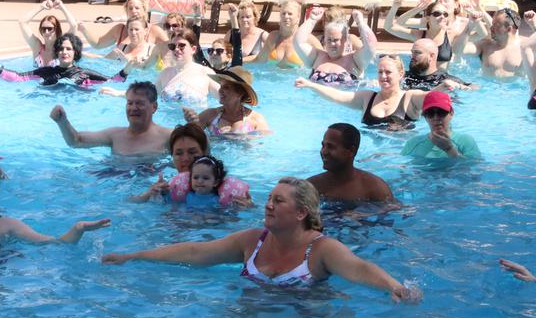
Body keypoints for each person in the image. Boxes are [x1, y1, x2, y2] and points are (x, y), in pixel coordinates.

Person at [102, 177, 421, 302]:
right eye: (269, 198)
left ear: (300, 213)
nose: (268, 204)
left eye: (278, 201)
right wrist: (135, 256)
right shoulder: (252, 240)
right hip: (252, 317)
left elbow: (360, 268)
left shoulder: (321, 249)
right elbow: (196, 252)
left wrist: (395, 286)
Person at [295, 55, 429, 131]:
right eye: (380, 72)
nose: (383, 76)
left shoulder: (410, 97)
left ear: (400, 74)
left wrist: (442, 87)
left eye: (388, 72)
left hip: (398, 159)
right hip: (370, 157)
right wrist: (310, 85)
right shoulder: (367, 98)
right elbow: (338, 96)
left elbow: (433, 98)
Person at [134, 124, 251, 205]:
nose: (185, 159)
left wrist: (248, 206)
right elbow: (130, 202)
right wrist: (149, 194)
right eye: (178, 153)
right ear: (172, 156)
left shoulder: (226, 188)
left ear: (205, 153)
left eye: (192, 152)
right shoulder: (168, 187)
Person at [51, 81, 171, 156]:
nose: (133, 108)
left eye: (139, 103)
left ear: (154, 107)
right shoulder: (114, 135)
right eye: (130, 103)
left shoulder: (168, 136)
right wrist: (62, 122)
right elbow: (76, 141)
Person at [0, 33, 112, 87]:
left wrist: (128, 69)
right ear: (56, 52)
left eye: (68, 49)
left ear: (75, 52)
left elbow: (114, 80)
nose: (64, 52)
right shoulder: (46, 72)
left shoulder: (86, 73)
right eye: (61, 49)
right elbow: (17, 78)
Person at [307, 123, 394, 202]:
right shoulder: (312, 186)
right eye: (323, 145)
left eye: (331, 147)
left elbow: (391, 211)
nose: (324, 152)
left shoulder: (376, 189)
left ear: (351, 151)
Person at [293, 6, 377, 86]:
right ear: (325, 39)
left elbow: (371, 46)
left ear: (346, 39)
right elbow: (298, 42)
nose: (332, 44)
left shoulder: (355, 60)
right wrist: (312, 20)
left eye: (336, 40)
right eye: (329, 40)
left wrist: (360, 22)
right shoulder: (317, 57)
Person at [182, 66, 269, 136]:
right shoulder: (209, 115)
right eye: (221, 86)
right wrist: (192, 123)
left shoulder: (256, 119)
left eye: (226, 87)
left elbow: (262, 150)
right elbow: (187, 138)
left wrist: (242, 138)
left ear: (240, 93)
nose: (220, 90)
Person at [385, 0, 466, 70]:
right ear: (427, 18)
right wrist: (395, 7)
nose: (442, 17)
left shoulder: (451, 34)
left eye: (445, 14)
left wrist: (476, 16)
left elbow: (477, 35)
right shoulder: (419, 35)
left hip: (441, 81)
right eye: (437, 14)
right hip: (419, 79)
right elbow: (389, 27)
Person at [401, 91, 481, 159]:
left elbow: (474, 172)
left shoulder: (465, 141)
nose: (436, 118)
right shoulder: (412, 143)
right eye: (430, 113)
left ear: (451, 114)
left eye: (441, 112)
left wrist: (449, 149)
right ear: (425, 117)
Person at [245, 0, 320, 68]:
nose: (286, 16)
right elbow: (259, 60)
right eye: (283, 13)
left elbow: (323, 62)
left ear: (298, 17)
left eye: (290, 14)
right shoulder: (273, 37)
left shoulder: (308, 39)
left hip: (296, 81)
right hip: (272, 80)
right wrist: (237, 62)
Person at [78, 0, 168, 50]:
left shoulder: (155, 31)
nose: (134, 11)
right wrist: (84, 30)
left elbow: (170, 50)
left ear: (144, 11)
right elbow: (98, 44)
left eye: (137, 8)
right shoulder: (119, 30)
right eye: (130, 8)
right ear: (126, 11)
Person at [19, 0, 78, 67]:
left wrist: (62, 8)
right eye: (43, 29)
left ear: (57, 30)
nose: (46, 32)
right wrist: (41, 7)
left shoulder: (62, 48)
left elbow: (74, 26)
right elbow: (22, 22)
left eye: (50, 29)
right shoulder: (37, 47)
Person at [466, 8, 523, 78]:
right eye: (492, 24)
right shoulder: (485, 45)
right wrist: (470, 25)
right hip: (486, 87)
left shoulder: (524, 47)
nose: (491, 28)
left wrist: (534, 26)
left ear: (509, 29)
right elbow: (459, 50)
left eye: (496, 25)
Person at [175, 155, 250, 208]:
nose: (200, 181)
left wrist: (246, 205)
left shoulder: (217, 200)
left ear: (215, 182)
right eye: (195, 177)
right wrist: (164, 193)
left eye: (205, 178)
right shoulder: (188, 196)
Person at [403, 38, 475, 91]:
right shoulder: (404, 76)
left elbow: (474, 88)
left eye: (417, 52)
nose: (412, 56)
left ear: (431, 56)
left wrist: (459, 86)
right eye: (412, 52)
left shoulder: (445, 79)